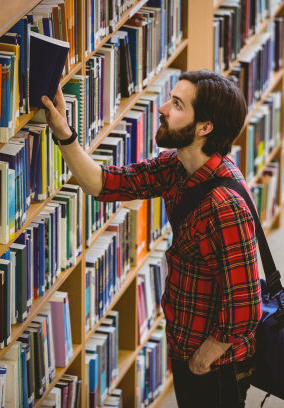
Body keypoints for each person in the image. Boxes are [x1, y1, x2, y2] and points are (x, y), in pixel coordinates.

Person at [41, 70, 262, 408]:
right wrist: (64, 134)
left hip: (217, 362)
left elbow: (245, 308)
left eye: (176, 105)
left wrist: (204, 359)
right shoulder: (176, 167)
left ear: (204, 128)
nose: (161, 109)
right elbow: (104, 184)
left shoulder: (225, 207)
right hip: (186, 341)